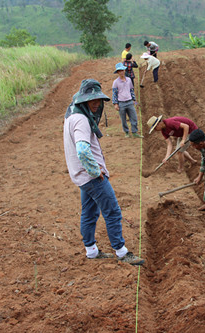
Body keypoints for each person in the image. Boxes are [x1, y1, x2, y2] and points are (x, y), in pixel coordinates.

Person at [63, 79, 144, 265]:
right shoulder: (82, 120)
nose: (97, 103)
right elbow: (83, 150)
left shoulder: (71, 116)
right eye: (92, 100)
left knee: (89, 213)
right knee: (113, 212)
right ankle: (122, 252)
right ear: (83, 100)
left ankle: (91, 251)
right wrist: (95, 171)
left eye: (98, 100)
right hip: (91, 177)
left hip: (81, 177)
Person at [112, 63, 143, 138]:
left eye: (122, 70)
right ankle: (126, 132)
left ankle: (134, 132)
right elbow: (114, 94)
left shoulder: (129, 80)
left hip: (129, 101)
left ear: (124, 70)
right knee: (123, 119)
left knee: (134, 117)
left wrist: (134, 99)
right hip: (121, 103)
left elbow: (131, 90)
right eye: (120, 71)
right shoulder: (115, 82)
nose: (121, 72)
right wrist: (115, 104)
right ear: (118, 72)